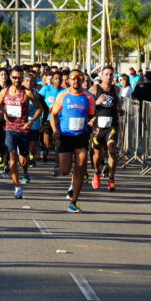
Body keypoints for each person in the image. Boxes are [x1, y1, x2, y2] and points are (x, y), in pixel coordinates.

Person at [50, 69, 95, 213]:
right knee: (64, 170)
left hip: (81, 136)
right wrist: (54, 130)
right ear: (68, 81)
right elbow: (53, 115)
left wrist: (93, 124)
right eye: (73, 79)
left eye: (79, 78)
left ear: (82, 80)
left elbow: (93, 115)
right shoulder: (63, 95)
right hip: (65, 136)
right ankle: (72, 181)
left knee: (81, 167)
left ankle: (74, 201)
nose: (76, 81)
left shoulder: (88, 97)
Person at [0, 66, 43, 199]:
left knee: (23, 160)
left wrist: (31, 121)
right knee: (13, 158)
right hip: (9, 129)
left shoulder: (27, 93)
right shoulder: (4, 92)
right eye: (14, 77)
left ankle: (25, 172)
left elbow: (40, 108)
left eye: (19, 78)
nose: (17, 80)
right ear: (10, 77)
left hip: (23, 129)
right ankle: (17, 187)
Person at [89, 66, 122, 192]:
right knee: (98, 154)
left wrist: (120, 109)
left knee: (112, 149)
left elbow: (118, 103)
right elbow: (89, 106)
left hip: (111, 125)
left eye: (111, 74)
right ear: (101, 76)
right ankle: (97, 174)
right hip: (98, 127)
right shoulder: (95, 88)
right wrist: (97, 102)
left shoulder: (116, 89)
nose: (109, 76)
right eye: (106, 74)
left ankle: (111, 179)